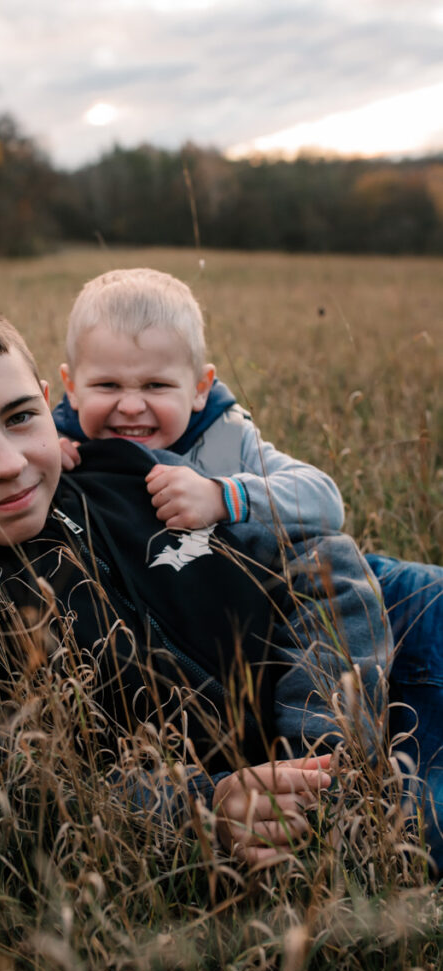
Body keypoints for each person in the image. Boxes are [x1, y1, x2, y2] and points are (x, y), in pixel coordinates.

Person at [0, 280, 394, 868]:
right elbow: (22, 792)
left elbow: (322, 556)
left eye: (20, 418)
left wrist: (323, 749)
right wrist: (208, 808)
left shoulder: (119, 469)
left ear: (47, 403)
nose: (9, 464)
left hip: (374, 694)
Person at [53, 266, 442, 865]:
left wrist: (224, 494)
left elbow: (325, 499)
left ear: (202, 387)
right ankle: (304, 793)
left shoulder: (226, 439)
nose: (131, 405)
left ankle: (326, 749)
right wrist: (45, 452)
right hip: (219, 625)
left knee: (337, 575)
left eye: (157, 384)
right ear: (71, 387)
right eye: (106, 385)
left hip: (296, 589)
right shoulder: (60, 445)